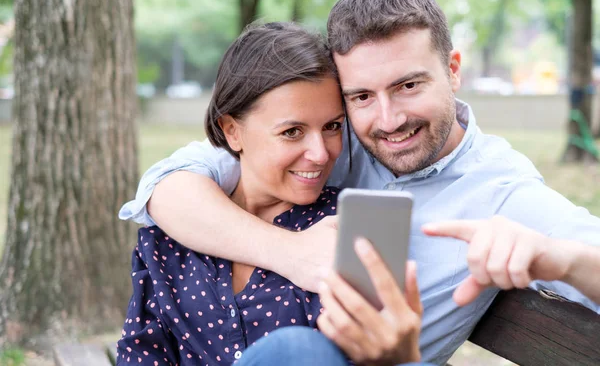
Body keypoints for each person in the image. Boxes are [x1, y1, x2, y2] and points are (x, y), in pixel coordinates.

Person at [120, 0, 600, 365]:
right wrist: (292, 254)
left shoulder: (503, 193)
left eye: (408, 85)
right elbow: (166, 187)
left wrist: (558, 258)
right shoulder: (328, 139)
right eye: (362, 96)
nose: (388, 121)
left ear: (453, 69)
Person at [116, 22, 426, 366]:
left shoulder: (349, 230)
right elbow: (142, 353)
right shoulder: (170, 238)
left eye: (332, 127)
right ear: (232, 131)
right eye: (292, 132)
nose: (321, 154)